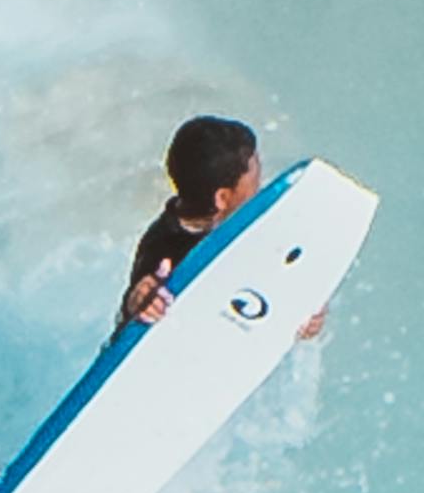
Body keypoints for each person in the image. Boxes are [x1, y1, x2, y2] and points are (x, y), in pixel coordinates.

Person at [119, 112, 332, 340]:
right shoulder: (162, 247)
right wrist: (139, 303)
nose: (259, 193)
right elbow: (134, 307)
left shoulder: (259, 228)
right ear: (222, 198)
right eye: (254, 184)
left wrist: (306, 313)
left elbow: (286, 281)